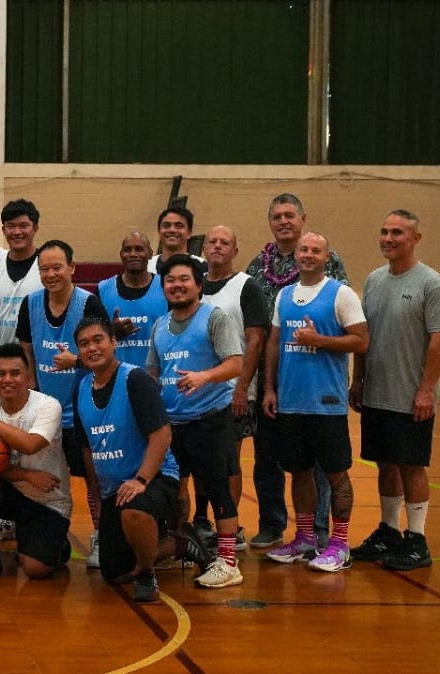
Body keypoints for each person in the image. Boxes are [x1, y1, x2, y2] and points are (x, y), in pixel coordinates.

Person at [350, 209, 440, 571]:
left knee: (411, 465)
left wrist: (426, 390)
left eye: (397, 233)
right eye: (384, 232)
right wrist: (358, 380)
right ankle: (390, 531)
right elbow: (364, 337)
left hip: (411, 397)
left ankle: (417, 540)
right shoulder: (374, 280)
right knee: (385, 463)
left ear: (415, 239)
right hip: (377, 393)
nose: (388, 238)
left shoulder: (432, 284)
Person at [262, 232, 368, 572]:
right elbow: (274, 343)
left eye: (316, 250)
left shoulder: (341, 294)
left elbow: (361, 341)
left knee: (336, 474)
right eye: (304, 249)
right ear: (297, 255)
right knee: (299, 472)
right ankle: (305, 538)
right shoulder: (284, 294)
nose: (308, 254)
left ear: (326, 257)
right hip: (291, 402)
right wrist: (269, 388)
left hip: (326, 403)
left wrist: (318, 340)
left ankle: (340, 544)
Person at [245, 194, 345, 550]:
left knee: (317, 462)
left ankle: (318, 528)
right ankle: (272, 524)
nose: (284, 221)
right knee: (266, 456)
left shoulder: (328, 260)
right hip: (270, 377)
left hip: (316, 377)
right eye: (277, 216)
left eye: (290, 215)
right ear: (270, 222)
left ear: (303, 218)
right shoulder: (257, 266)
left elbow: (343, 318)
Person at [145, 255, 244, 588]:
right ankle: (179, 546)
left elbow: (235, 363)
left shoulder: (214, 318)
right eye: (170, 280)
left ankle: (228, 563)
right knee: (174, 489)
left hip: (210, 420)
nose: (177, 285)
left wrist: (205, 376)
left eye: (184, 279)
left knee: (218, 490)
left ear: (199, 285)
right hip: (172, 424)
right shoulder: (160, 326)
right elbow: (153, 372)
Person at [74, 316, 180, 602]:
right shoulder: (82, 388)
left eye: (98, 340)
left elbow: (162, 434)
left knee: (133, 509)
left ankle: (147, 572)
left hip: (155, 478)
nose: (92, 348)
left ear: (113, 342)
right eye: (84, 344)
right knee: (114, 572)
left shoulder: (136, 379)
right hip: (114, 489)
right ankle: (177, 544)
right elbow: (87, 449)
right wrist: (96, 496)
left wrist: (141, 480)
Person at [17, 239, 108, 566]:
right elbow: (26, 351)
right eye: (44, 269)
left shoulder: (89, 304)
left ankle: (101, 537)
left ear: (72, 268)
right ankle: (49, 537)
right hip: (46, 414)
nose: (51, 274)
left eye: (57, 267)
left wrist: (77, 361)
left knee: (95, 480)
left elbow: (104, 355)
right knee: (45, 482)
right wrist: (30, 389)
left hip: (84, 412)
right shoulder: (30, 304)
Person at [0, 343, 72, 582]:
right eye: (0, 374)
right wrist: (27, 475)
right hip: (9, 491)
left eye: (15, 373)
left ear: (29, 378)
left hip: (47, 499)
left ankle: (57, 544)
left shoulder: (48, 406)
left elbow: (30, 444)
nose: (7, 379)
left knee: (35, 570)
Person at [194, 225, 268, 548]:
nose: (218, 246)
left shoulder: (246, 286)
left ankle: (232, 527)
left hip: (233, 392)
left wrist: (242, 388)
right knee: (201, 461)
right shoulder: (194, 285)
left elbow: (255, 340)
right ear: (204, 248)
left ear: (235, 251)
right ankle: (202, 520)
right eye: (213, 241)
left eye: (225, 242)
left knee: (228, 462)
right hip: (197, 390)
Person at [96, 231, 166, 367]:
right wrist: (112, 333)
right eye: (127, 250)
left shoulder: (165, 286)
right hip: (115, 375)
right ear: (121, 254)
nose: (133, 254)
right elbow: (91, 337)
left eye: (139, 249)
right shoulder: (103, 290)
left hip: (155, 375)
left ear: (150, 253)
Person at [0, 199, 43, 347]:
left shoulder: (46, 265)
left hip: (37, 355)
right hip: (1, 355)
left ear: (35, 228)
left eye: (23, 226)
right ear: (3, 230)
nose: (17, 232)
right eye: (11, 226)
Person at [148, 207, 206, 276]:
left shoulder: (203, 267)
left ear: (189, 233)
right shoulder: (146, 267)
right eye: (166, 225)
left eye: (179, 226)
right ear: (159, 231)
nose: (172, 230)